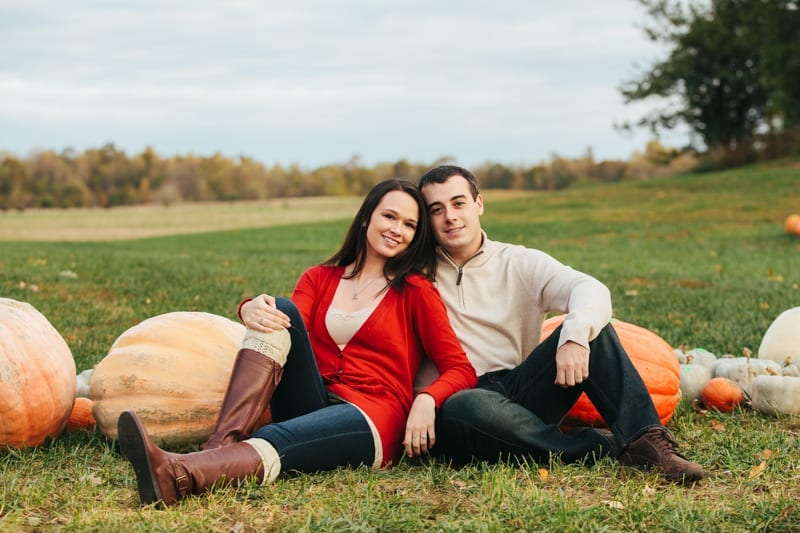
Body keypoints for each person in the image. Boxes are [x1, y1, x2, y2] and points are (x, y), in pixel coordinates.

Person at [117, 178, 478, 506]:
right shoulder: (319, 278)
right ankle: (220, 446)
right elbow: (285, 326)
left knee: (278, 434)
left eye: (410, 225)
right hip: (313, 398)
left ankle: (180, 477)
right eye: (390, 216)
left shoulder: (415, 291)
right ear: (367, 218)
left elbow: (460, 368)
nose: (397, 230)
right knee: (281, 309)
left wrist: (427, 399)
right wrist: (249, 307)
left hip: (373, 414)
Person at [415, 165, 704, 484]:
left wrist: (574, 337)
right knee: (466, 406)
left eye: (459, 203)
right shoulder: (413, 272)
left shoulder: (518, 262)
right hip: (456, 400)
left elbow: (589, 289)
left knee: (596, 332)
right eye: (436, 210)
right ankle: (600, 447)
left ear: (478, 204)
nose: (450, 217)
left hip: (519, 390)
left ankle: (645, 442)